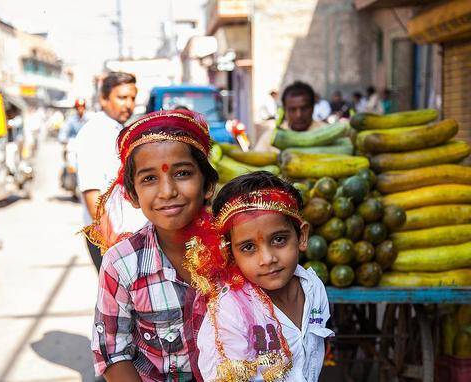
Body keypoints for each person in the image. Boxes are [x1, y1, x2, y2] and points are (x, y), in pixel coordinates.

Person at [87, 109, 218, 381]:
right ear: (132, 195)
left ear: (208, 185)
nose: (167, 191)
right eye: (149, 178)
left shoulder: (238, 248)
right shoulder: (121, 264)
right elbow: (113, 354)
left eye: (182, 173)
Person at [188, 171, 333, 381]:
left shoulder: (313, 288)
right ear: (230, 254)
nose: (267, 258)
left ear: (301, 236)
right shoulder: (231, 312)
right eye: (248, 247)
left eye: (279, 240)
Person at [75, 72, 146, 270]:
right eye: (121, 97)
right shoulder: (94, 133)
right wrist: (111, 242)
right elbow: (91, 192)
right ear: (104, 99)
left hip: (126, 235)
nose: (129, 104)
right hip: (109, 235)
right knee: (115, 299)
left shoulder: (118, 130)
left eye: (132, 98)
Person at [254, 81, 326, 152]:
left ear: (312, 108)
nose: (299, 115)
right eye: (292, 109)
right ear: (285, 110)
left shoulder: (326, 133)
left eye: (304, 108)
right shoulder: (270, 138)